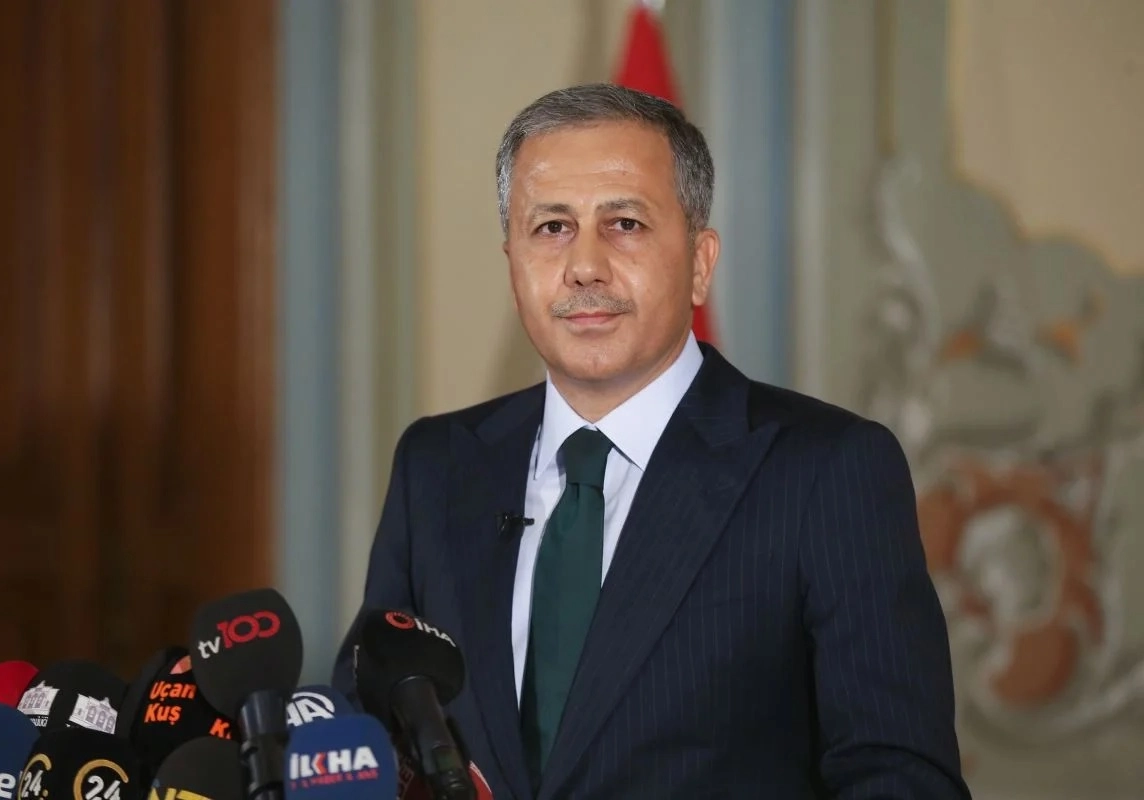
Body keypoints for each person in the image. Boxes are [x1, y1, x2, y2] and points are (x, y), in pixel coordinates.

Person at [333, 83, 970, 800]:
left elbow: (900, 779)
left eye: (625, 223)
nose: (584, 265)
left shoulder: (827, 470)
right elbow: (370, 740)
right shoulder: (437, 465)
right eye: (552, 227)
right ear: (513, 262)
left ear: (700, 262)